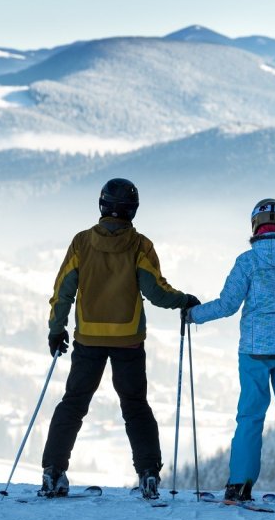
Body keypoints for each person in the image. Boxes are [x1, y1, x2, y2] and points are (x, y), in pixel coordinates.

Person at [42, 178, 199, 499]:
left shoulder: (81, 243)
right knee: (135, 406)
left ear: (101, 205)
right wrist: (184, 300)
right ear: (133, 210)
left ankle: (53, 472)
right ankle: (148, 475)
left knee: (73, 404)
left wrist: (56, 330)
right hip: (129, 338)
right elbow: (156, 291)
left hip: (88, 339)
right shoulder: (140, 245)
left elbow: (62, 292)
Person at [185, 198, 275, 505]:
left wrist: (193, 314)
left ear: (255, 227)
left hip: (254, 351)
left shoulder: (247, 261)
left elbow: (227, 305)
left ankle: (239, 485)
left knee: (250, 416)